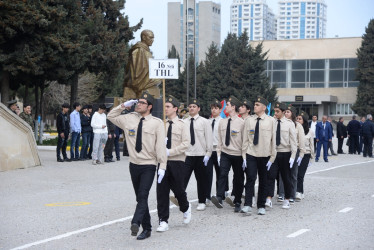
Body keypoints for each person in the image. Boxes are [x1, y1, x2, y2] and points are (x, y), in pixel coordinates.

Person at [107, 91, 167, 240]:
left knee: (143, 195)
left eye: (142, 103)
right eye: (137, 102)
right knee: (140, 198)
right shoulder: (129, 119)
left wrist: (163, 165)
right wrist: (122, 106)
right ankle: (147, 229)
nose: (138, 104)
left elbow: (160, 146)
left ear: (150, 107)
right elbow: (111, 117)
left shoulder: (157, 123)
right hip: (134, 164)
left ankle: (136, 222)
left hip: (149, 164)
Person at [156, 95, 191, 232]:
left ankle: (185, 207)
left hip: (177, 161)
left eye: (168, 106)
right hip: (163, 162)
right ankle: (163, 220)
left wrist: (171, 151)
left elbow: (186, 144)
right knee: (162, 192)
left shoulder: (183, 125)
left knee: (178, 190)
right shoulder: (161, 124)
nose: (165, 109)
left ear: (175, 109)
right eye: (164, 106)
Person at [242, 97, 276, 215]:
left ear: (264, 107)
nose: (255, 106)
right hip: (251, 153)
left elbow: (273, 140)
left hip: (265, 155)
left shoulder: (271, 121)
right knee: (250, 178)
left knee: (263, 181)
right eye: (254, 104)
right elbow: (245, 140)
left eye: (257, 104)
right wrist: (244, 156)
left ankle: (261, 205)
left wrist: (272, 157)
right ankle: (247, 204)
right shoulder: (249, 120)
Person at [211, 96, 245, 213]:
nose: (226, 107)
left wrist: (244, 157)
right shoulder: (223, 122)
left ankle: (238, 201)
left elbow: (245, 141)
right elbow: (220, 139)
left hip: (238, 154)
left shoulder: (241, 123)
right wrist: (219, 154)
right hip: (225, 153)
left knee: (238, 178)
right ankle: (220, 196)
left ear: (233, 107)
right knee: (222, 174)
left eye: (228, 105)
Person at [266, 102, 297, 210]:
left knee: (286, 177)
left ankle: (287, 199)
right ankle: (269, 198)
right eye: (275, 111)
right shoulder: (272, 122)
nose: (276, 113)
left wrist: (293, 156)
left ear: (283, 112)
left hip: (285, 152)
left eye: (278, 111)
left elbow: (293, 141)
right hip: (274, 153)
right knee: (270, 176)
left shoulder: (289, 124)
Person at [184, 98, 213, 211]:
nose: (191, 108)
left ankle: (202, 201)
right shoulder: (184, 122)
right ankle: (181, 199)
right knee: (182, 178)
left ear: (198, 109)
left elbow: (209, 139)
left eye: (194, 106)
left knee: (201, 180)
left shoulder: (205, 122)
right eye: (190, 106)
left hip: (201, 154)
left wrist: (208, 153)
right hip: (187, 154)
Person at [278, 104, 305, 204]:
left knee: (293, 174)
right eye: (285, 112)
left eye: (288, 112)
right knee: (282, 173)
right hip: (284, 150)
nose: (285, 113)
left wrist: (301, 154)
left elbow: (301, 141)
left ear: (292, 113)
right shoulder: (281, 123)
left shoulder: (298, 125)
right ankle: (281, 193)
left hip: (294, 150)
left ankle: (292, 194)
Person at [123, 30, 161, 98]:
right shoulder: (138, 51)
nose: (152, 40)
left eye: (153, 38)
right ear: (144, 37)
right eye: (150, 38)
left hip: (146, 79)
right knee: (158, 80)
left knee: (159, 79)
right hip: (140, 81)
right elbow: (137, 72)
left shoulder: (146, 50)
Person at [206, 99, 225, 205]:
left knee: (220, 174)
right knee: (208, 174)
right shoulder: (207, 122)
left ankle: (220, 196)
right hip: (209, 150)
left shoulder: (222, 122)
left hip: (218, 150)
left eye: (216, 108)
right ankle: (207, 196)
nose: (214, 110)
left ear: (220, 109)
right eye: (212, 108)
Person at [295, 111, 314, 201]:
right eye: (297, 118)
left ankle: (299, 192)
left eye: (300, 119)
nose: (298, 120)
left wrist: (312, 158)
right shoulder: (294, 129)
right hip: (296, 154)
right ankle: (298, 191)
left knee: (300, 174)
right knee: (295, 174)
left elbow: (311, 145)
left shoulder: (309, 131)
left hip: (306, 154)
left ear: (304, 121)